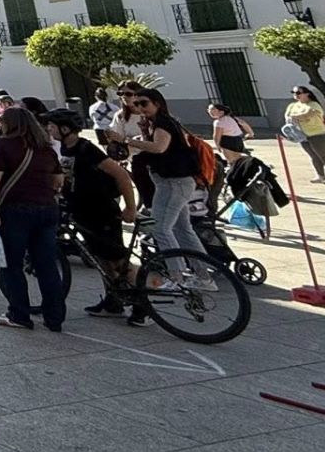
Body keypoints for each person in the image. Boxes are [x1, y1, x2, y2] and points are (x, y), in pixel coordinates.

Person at [49, 109, 143, 323]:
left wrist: (130, 208)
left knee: (118, 261)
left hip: (101, 211)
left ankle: (141, 306)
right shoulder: (65, 148)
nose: (49, 130)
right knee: (101, 259)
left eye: (52, 126)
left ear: (65, 129)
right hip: (82, 210)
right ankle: (113, 300)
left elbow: (121, 175)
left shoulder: (86, 149)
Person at [0, 105, 67, 331]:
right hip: (47, 209)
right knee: (47, 265)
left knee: (12, 264)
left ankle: (19, 314)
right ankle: (55, 317)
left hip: (15, 210)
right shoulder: (45, 148)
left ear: (8, 124)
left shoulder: (2, 145)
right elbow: (58, 180)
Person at [123, 88, 209, 267]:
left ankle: (178, 275)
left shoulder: (163, 123)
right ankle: (202, 274)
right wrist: (145, 132)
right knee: (183, 229)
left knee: (161, 229)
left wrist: (126, 140)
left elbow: (159, 147)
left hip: (173, 182)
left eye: (144, 103)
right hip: (174, 182)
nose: (140, 107)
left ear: (157, 103)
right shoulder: (157, 123)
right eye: (136, 104)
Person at [285, 85, 325, 184]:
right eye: (293, 92)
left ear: (307, 94)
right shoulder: (292, 106)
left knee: (324, 156)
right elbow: (288, 117)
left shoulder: (314, 104)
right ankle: (320, 176)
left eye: (298, 93)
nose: (296, 95)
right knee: (313, 156)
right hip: (302, 135)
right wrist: (299, 117)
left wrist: (297, 116)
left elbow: (309, 114)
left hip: (317, 134)